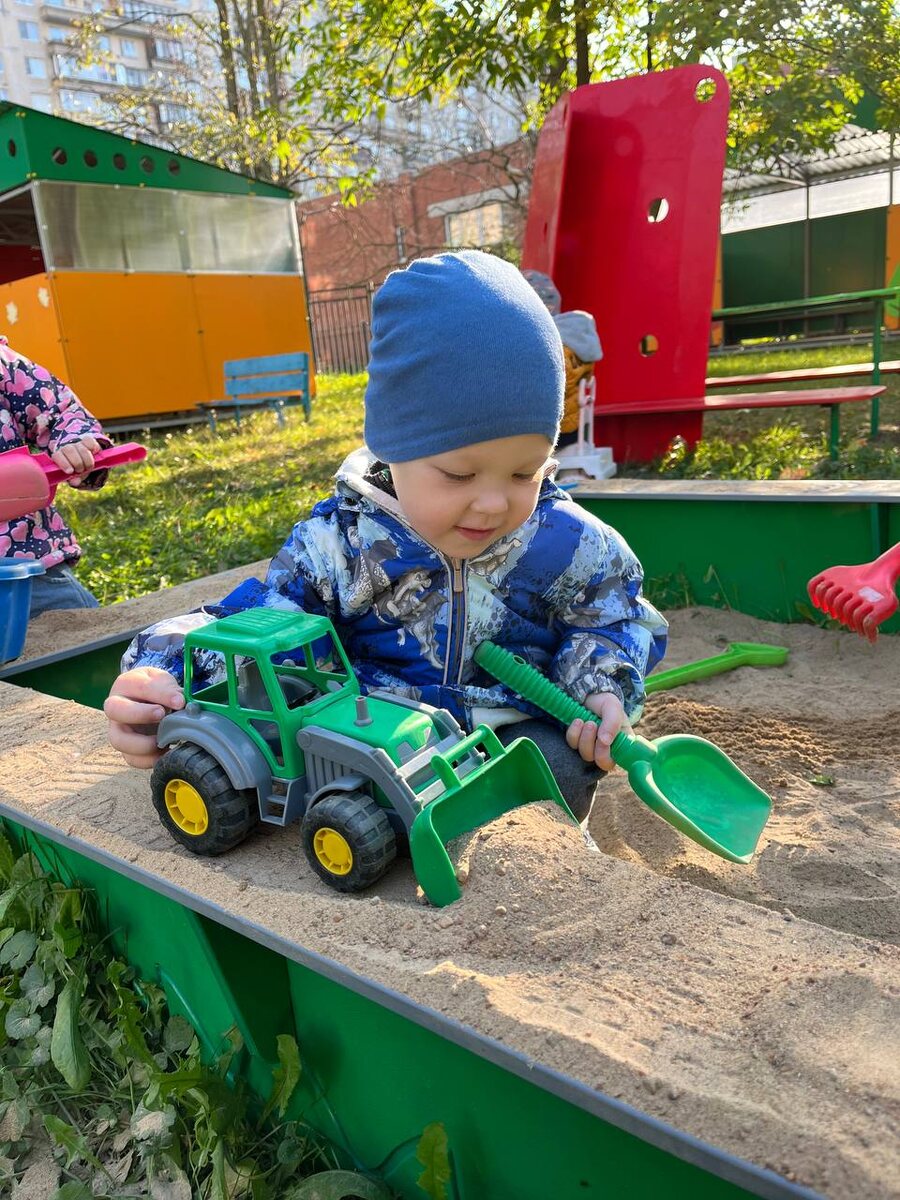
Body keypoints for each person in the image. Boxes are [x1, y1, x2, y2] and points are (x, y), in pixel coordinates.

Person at [105, 251, 667, 823]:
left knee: (561, 767)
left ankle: (538, 862)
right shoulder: (338, 545)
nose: (495, 502)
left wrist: (601, 685)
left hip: (509, 732)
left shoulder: (568, 541)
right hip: (381, 742)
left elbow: (615, 617)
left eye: (526, 471)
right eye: (459, 474)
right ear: (392, 447)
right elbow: (256, 622)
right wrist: (164, 673)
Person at [0, 337, 109, 616]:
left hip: (26, 568)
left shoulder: (5, 366)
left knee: (82, 645)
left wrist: (74, 442)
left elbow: (60, 410)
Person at [553, 310, 602, 450]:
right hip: (576, 420)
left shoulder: (561, 354)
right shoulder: (585, 355)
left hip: (560, 425)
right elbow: (587, 378)